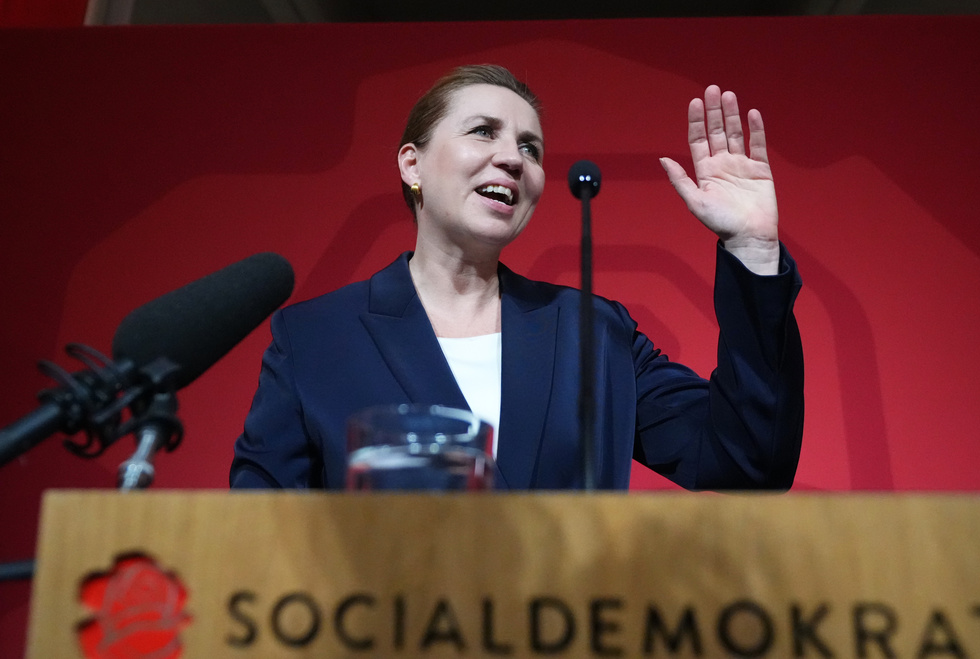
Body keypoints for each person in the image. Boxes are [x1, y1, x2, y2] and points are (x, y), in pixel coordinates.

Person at [230, 64, 803, 491]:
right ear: (412, 165)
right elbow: (260, 533)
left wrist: (753, 246)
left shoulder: (593, 333)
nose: (513, 158)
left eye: (530, 147)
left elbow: (748, 463)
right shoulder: (316, 338)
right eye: (483, 131)